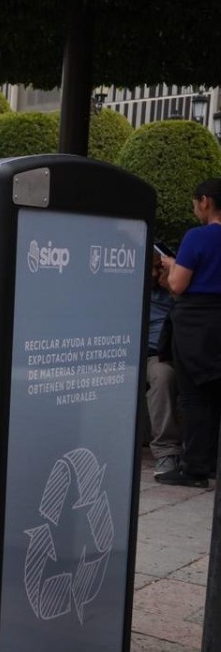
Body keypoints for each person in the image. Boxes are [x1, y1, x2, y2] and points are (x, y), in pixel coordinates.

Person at [156, 178, 221, 487]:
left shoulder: (197, 237)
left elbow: (178, 286)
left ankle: (195, 468)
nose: (195, 208)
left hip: (196, 324)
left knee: (195, 397)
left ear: (205, 201)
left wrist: (170, 266)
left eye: (195, 202)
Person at [145, 254, 181, 474]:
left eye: (158, 267)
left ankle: (167, 451)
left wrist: (171, 287)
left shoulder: (171, 290)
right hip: (120, 351)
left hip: (157, 354)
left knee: (163, 376)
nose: (154, 274)